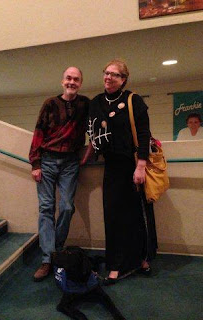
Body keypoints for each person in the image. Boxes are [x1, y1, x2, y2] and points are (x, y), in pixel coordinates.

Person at [85, 59, 157, 285]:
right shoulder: (96, 102)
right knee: (113, 217)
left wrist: (141, 166)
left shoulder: (133, 100)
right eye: (106, 73)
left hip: (134, 166)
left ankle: (141, 259)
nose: (108, 77)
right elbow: (91, 131)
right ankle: (115, 264)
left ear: (123, 79)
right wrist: (87, 156)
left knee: (137, 216)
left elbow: (144, 134)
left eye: (114, 75)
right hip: (112, 168)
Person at [29, 67, 89, 281]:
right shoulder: (50, 104)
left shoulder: (85, 104)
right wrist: (35, 163)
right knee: (46, 208)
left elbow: (96, 127)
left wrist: (91, 149)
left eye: (76, 79)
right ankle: (48, 259)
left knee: (67, 206)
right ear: (62, 81)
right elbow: (38, 132)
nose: (72, 82)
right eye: (68, 78)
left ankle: (56, 249)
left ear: (80, 83)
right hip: (47, 160)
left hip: (70, 163)